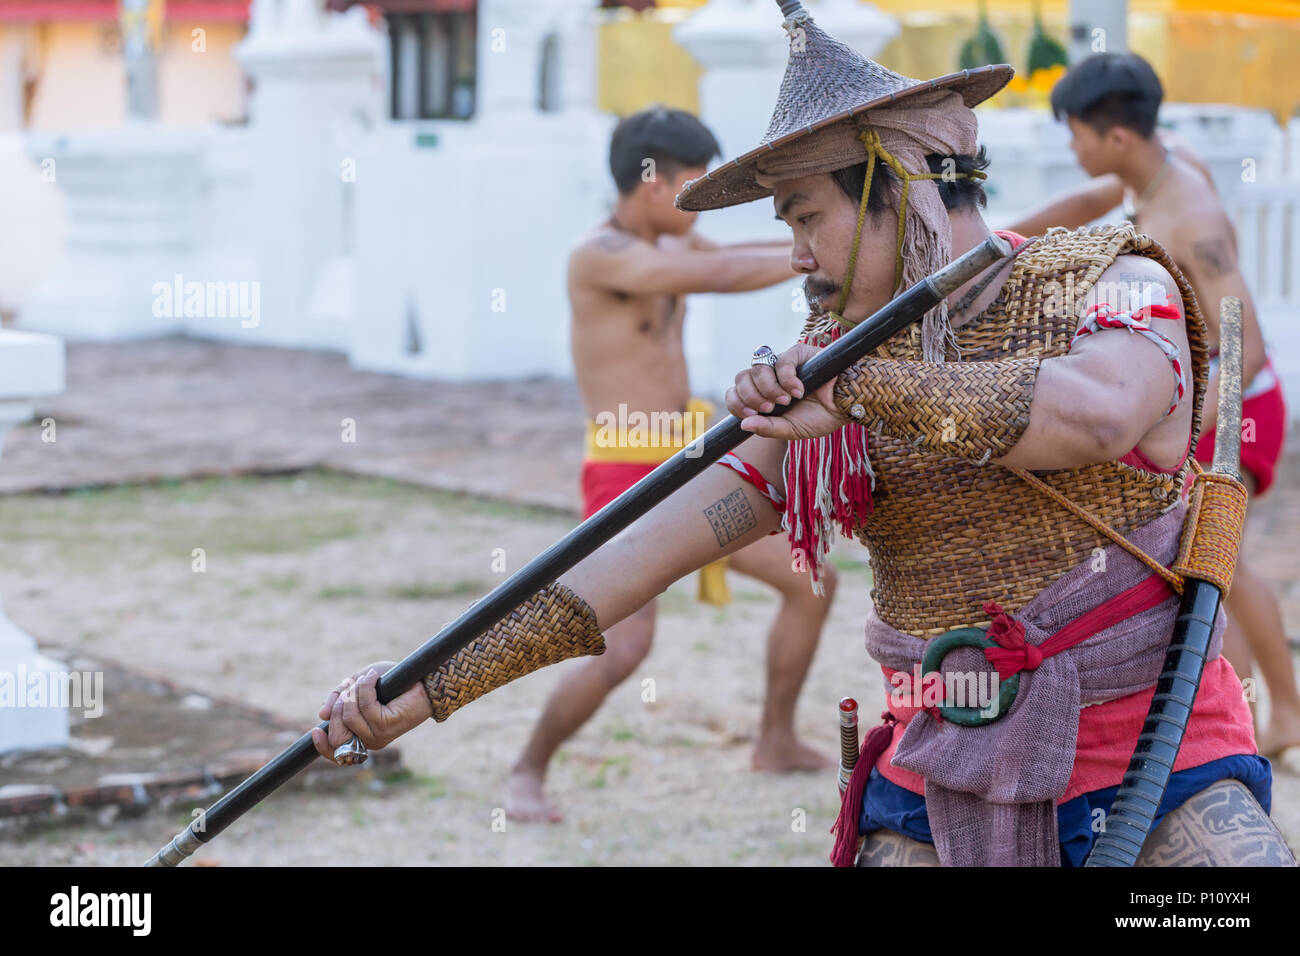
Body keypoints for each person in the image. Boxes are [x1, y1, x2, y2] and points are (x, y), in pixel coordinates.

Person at [311, 2, 1296, 866]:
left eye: (806, 216)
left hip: (1156, 757)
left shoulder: (1109, 280)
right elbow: (635, 552)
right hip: (939, 770)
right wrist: (430, 684)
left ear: (900, 183)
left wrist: (868, 388)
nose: (793, 255)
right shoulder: (827, 385)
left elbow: (1096, 413)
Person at [504, 106, 835, 822]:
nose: (703, 198)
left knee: (810, 582)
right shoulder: (601, 254)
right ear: (656, 185)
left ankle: (774, 739)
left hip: (688, 461)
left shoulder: (668, 240)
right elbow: (715, 272)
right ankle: (526, 772)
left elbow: (728, 253)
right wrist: (821, 248)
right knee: (624, 648)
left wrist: (820, 240)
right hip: (625, 470)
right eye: (696, 183)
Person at [1009, 51, 1300, 760]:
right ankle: (1254, 710)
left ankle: (1283, 713)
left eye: (1074, 133)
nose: (1069, 147)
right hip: (1198, 394)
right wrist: (996, 246)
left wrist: (1179, 436)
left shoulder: (1188, 213)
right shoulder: (1157, 164)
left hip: (1238, 402)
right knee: (1203, 562)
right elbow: (1082, 207)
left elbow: (1249, 345)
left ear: (1114, 138)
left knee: (1218, 561)